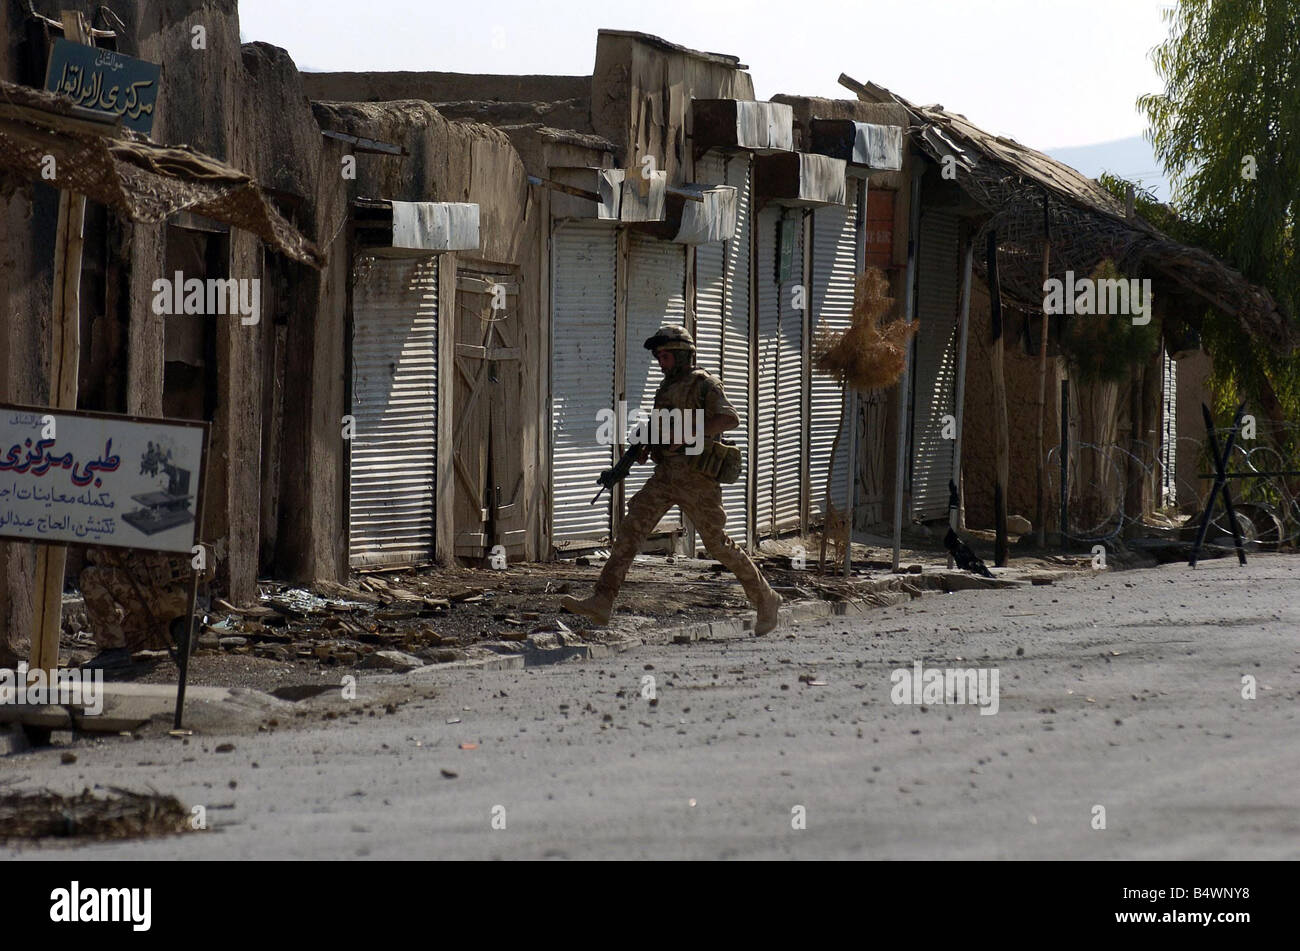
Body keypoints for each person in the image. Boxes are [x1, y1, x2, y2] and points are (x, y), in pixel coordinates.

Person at [562, 324, 782, 635]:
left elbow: (729, 418)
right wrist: (646, 446)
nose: (660, 362)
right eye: (658, 357)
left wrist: (689, 432)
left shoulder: (705, 383)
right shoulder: (664, 389)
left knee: (717, 544)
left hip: (698, 479)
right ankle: (602, 601)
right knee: (630, 531)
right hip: (665, 476)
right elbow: (661, 427)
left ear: (682, 355)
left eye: (665, 356)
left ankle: (766, 598)